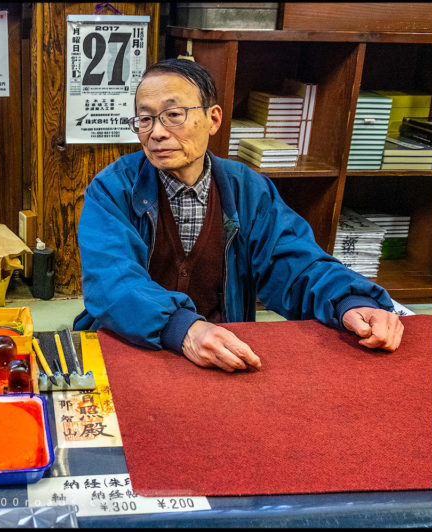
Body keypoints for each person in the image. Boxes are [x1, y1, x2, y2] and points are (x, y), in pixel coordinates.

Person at [73, 58, 404, 372]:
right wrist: (183, 329)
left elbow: (294, 263)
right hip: (133, 344)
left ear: (213, 119)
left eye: (173, 114)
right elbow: (112, 281)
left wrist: (350, 300)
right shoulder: (113, 189)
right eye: (145, 119)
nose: (156, 132)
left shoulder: (248, 189)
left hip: (221, 349)